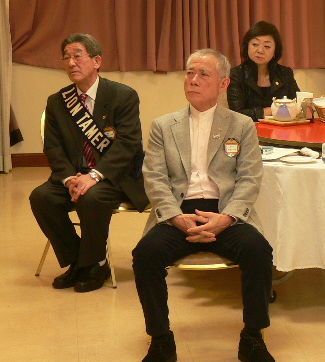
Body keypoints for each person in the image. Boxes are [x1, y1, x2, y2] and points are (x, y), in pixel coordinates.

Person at [133, 48, 275, 362]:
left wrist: (227, 218)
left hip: (225, 212)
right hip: (178, 213)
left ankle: (253, 338)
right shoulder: (163, 126)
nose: (193, 80)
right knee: (145, 254)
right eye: (190, 73)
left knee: (258, 251)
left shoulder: (242, 125)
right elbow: (154, 178)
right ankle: (161, 340)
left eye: (203, 74)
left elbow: (250, 178)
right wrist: (175, 217)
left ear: (224, 84)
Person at [30, 33, 148, 293]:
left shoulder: (123, 96)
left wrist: (94, 176)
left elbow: (128, 144)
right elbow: (53, 148)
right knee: (41, 197)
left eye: (77, 56)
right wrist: (69, 179)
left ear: (96, 61)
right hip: (75, 175)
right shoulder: (57, 102)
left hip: (114, 176)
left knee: (91, 197)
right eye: (66, 58)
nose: (71, 63)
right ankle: (78, 261)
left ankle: (96, 263)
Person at [227, 21, 300, 121]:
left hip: (282, 128)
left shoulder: (285, 73)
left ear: (275, 51)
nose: (260, 50)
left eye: (267, 46)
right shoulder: (236, 74)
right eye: (255, 44)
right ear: (247, 46)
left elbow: (297, 104)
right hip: (249, 129)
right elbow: (237, 114)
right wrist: (273, 110)